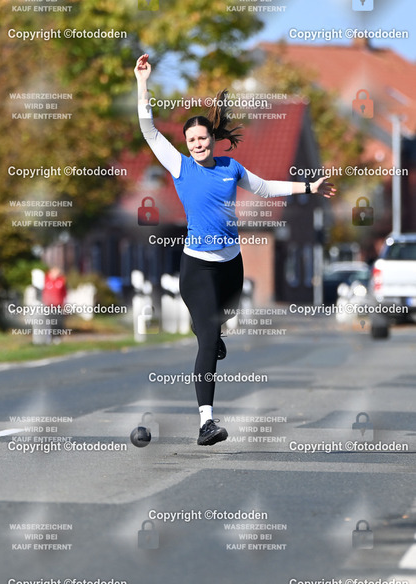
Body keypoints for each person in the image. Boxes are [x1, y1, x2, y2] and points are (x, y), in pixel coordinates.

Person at [134, 53, 336, 446]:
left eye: (202, 138)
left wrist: (309, 186)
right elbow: (148, 130)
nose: (197, 144)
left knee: (221, 321)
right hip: (197, 265)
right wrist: (143, 83)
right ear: (186, 144)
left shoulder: (231, 168)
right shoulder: (180, 166)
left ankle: (212, 330)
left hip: (231, 264)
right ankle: (206, 423)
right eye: (191, 140)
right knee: (208, 337)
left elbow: (266, 187)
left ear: (212, 139)